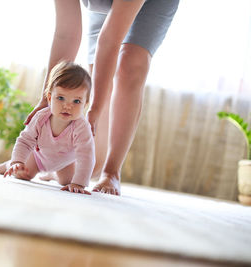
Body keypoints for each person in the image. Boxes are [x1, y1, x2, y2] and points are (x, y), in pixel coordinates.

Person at [24, 0, 180, 196]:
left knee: (129, 65)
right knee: (97, 76)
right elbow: (66, 34)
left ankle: (112, 172)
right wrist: (46, 100)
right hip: (102, 6)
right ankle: (69, 167)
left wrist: (94, 109)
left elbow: (110, 40)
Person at [0, 61, 95, 194]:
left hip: (64, 163)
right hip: (38, 157)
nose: (67, 106)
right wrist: (17, 161)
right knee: (23, 173)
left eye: (76, 101)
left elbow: (86, 155)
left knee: (68, 182)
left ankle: (53, 175)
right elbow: (25, 141)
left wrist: (79, 183)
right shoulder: (41, 117)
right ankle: (9, 165)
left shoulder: (82, 127)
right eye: (60, 98)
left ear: (85, 104)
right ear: (49, 98)